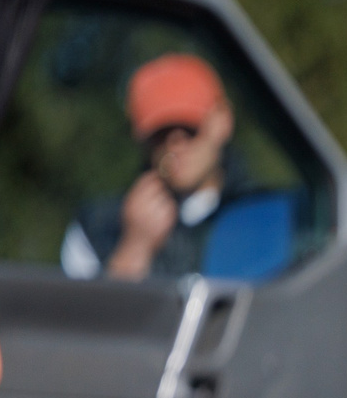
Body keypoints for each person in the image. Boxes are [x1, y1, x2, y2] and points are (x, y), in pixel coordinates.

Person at [60, 53, 290, 283]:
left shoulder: (273, 215)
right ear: (141, 139)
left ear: (222, 121)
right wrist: (134, 249)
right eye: (160, 131)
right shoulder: (98, 227)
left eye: (189, 127)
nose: (175, 143)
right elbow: (80, 316)